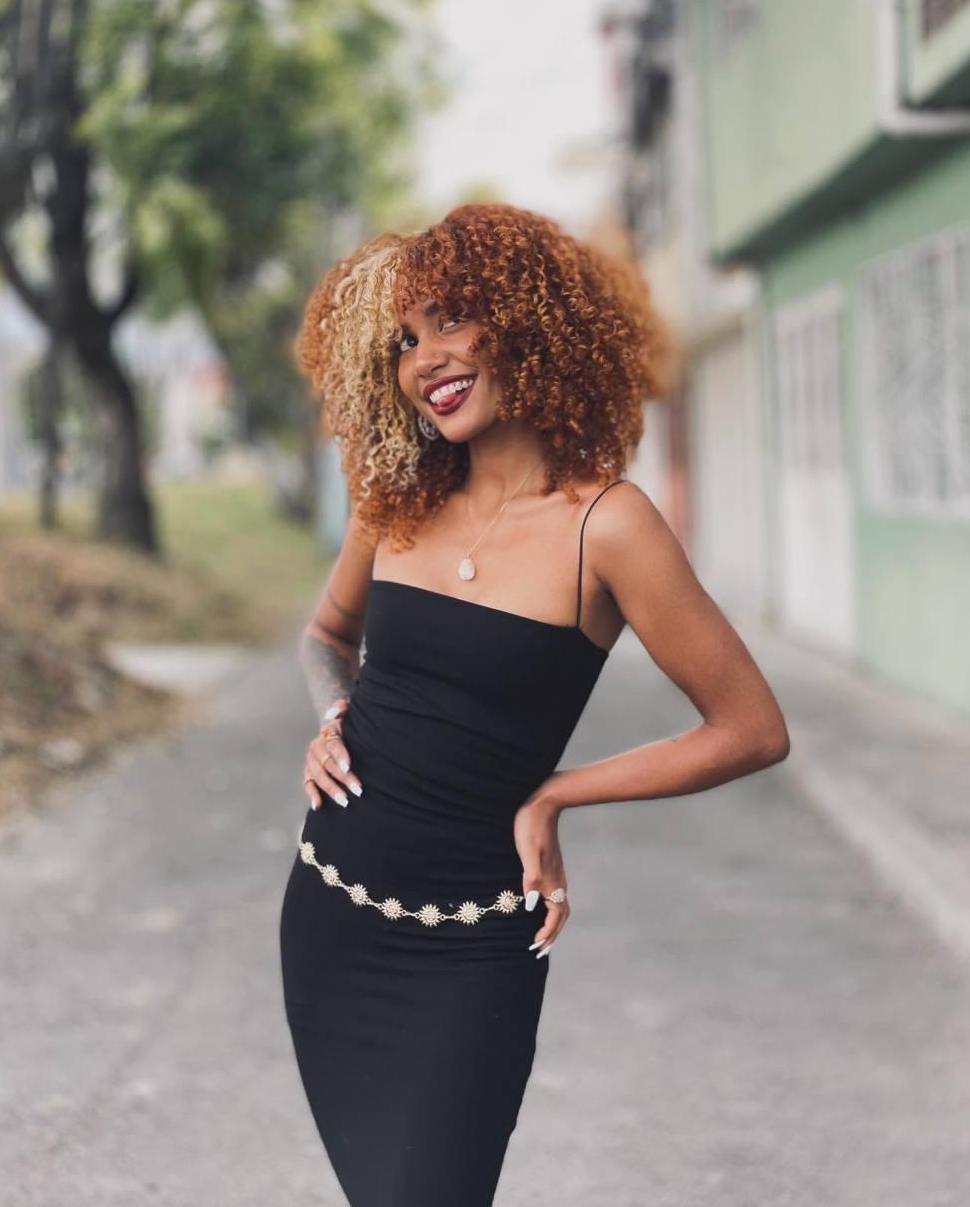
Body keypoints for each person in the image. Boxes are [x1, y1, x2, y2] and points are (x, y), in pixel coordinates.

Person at [278, 204, 790, 1207]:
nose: (426, 359)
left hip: (473, 943)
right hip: (330, 916)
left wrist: (557, 793)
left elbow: (750, 728)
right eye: (404, 340)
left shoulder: (608, 524)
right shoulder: (396, 497)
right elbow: (325, 636)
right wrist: (332, 717)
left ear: (523, 320)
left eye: (450, 319)